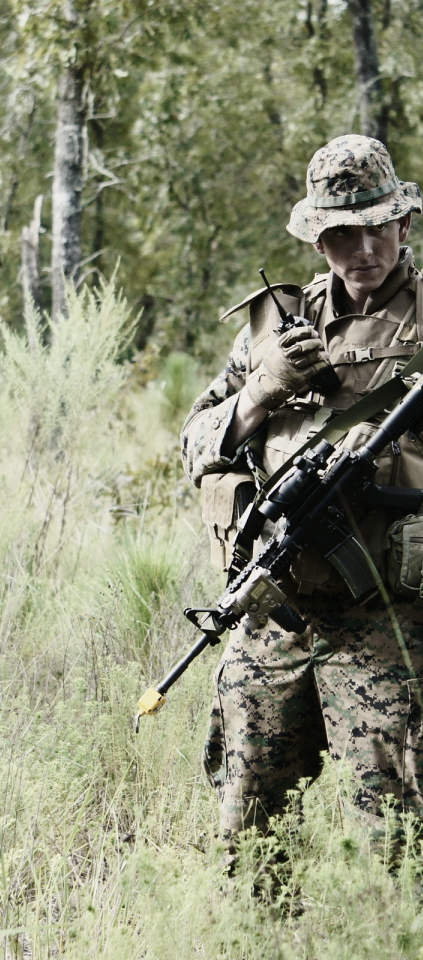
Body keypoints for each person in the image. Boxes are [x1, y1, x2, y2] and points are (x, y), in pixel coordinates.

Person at [181, 134, 423, 841]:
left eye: (378, 228)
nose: (364, 249)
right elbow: (196, 443)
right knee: (247, 829)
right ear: (319, 241)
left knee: (394, 839)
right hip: (276, 611)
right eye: (343, 234)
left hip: (389, 619)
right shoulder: (275, 329)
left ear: (404, 225)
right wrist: (263, 389)